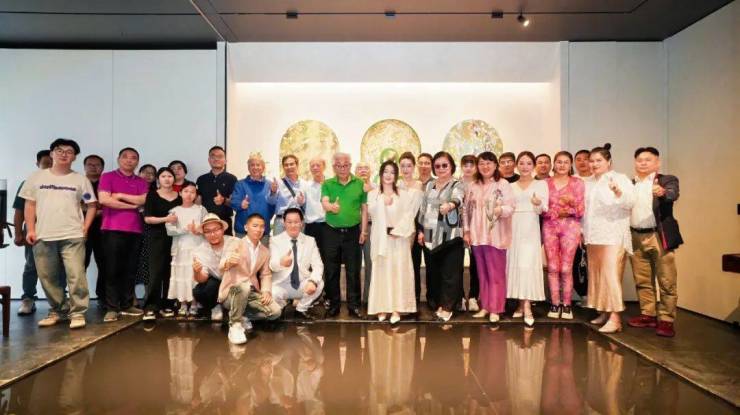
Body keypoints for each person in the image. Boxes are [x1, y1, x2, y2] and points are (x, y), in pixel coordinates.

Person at [20, 138, 97, 329]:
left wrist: (85, 227)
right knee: (48, 277)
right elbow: (29, 205)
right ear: (52, 153)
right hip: (43, 235)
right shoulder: (36, 177)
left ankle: (78, 312)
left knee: (76, 274)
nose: (64, 154)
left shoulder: (80, 180)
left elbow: (91, 205)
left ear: (74, 157)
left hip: (73, 235)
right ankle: (59, 310)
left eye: (69, 151)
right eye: (59, 150)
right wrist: (31, 229)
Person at [628, 147, 683, 337]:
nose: (643, 163)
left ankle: (667, 319)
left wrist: (662, 192)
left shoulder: (667, 180)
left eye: (648, 159)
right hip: (635, 236)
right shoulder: (630, 184)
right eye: (639, 160)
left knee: (667, 280)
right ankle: (648, 314)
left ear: (657, 162)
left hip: (658, 235)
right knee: (642, 279)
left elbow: (672, 194)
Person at [583, 143, 635, 333]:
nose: (594, 164)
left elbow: (631, 202)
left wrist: (618, 192)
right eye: (591, 161)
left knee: (611, 276)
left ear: (609, 162)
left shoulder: (619, 178)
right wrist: (582, 230)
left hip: (613, 235)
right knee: (598, 276)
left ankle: (615, 318)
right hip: (593, 235)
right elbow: (586, 211)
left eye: (599, 160)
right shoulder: (588, 182)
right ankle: (604, 312)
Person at [98, 147, 150, 322]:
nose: (129, 160)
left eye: (133, 158)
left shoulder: (141, 181)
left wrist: (119, 196)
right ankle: (112, 307)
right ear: (119, 159)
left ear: (137, 162)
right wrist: (132, 206)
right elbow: (104, 200)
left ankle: (127, 304)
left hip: (135, 230)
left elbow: (143, 200)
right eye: (125, 157)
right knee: (111, 269)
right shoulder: (107, 177)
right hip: (112, 229)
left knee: (130, 269)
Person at [463, 151, 515, 323]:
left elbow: (511, 207)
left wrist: (500, 210)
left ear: (495, 165)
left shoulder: (503, 184)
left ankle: (496, 308)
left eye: (489, 163)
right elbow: (466, 210)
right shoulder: (473, 185)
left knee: (496, 274)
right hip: (477, 236)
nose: (485, 166)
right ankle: (485, 306)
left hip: (496, 236)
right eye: (482, 163)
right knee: (482, 273)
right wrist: (466, 231)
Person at [366, 161, 419, 324]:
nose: (388, 175)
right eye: (386, 172)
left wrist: (398, 231)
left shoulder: (403, 194)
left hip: (399, 238)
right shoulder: (373, 194)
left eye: (392, 172)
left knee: (398, 273)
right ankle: (382, 307)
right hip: (381, 239)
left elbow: (409, 215)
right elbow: (371, 212)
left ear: (396, 176)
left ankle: (397, 308)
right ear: (381, 174)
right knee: (382, 273)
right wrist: (382, 201)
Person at [218, 213, 281, 344]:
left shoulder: (264, 251)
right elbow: (222, 264)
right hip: (232, 292)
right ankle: (235, 325)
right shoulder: (235, 243)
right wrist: (228, 262)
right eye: (255, 226)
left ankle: (241, 315)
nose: (259, 229)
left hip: (251, 293)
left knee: (275, 312)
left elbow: (265, 274)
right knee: (244, 286)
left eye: (262, 226)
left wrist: (266, 291)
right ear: (246, 227)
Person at [418, 151, 466, 322]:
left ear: (451, 166)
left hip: (450, 236)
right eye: (437, 166)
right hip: (430, 236)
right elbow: (423, 209)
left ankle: (447, 308)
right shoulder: (430, 185)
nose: (441, 168)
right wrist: (421, 231)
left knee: (450, 274)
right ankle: (439, 304)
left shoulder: (457, 184)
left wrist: (450, 205)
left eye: (444, 165)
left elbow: (458, 199)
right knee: (435, 273)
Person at [321, 152, 368, 319]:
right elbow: (324, 201)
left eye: (345, 165)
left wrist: (364, 231)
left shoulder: (360, 183)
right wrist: (330, 207)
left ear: (350, 165)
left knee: (353, 270)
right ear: (334, 167)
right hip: (331, 232)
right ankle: (333, 306)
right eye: (339, 166)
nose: (342, 168)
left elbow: (364, 209)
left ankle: (354, 306)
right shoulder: (327, 183)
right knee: (331, 270)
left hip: (353, 232)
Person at [507, 152, 548, 327]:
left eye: (529, 163)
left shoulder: (541, 184)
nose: (525, 167)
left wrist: (538, 203)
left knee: (528, 265)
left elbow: (543, 208)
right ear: (517, 165)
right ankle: (519, 303)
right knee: (516, 263)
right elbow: (507, 208)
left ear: (533, 166)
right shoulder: (510, 186)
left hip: (531, 226)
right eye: (522, 163)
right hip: (514, 226)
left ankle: (527, 306)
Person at [543, 151, 585, 320]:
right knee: (553, 267)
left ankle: (567, 304)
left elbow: (581, 209)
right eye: (559, 162)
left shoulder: (578, 183)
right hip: (549, 227)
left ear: (570, 165)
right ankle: (554, 303)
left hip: (571, 228)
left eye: (565, 162)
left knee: (566, 268)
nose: (562, 165)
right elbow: (541, 208)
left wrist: (566, 211)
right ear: (554, 164)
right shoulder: (545, 183)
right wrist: (555, 212)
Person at [13, 150, 53, 315]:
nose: (50, 166)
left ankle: (59, 302)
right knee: (32, 265)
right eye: (46, 163)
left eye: (52, 163)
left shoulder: (65, 183)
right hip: (33, 230)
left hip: (58, 230)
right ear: (38, 164)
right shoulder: (28, 183)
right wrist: (18, 233)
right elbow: (19, 211)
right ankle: (28, 298)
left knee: (60, 267)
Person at [269, 208, 324, 320]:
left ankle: (301, 309)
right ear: (284, 223)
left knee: (319, 284)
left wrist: (313, 281)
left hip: (302, 284)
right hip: (282, 284)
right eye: (289, 222)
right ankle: (281, 306)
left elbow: (318, 265)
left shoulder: (310, 241)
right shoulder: (275, 240)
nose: (293, 225)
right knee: (272, 292)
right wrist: (281, 263)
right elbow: (272, 265)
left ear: (302, 223)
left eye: (296, 222)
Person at [142, 167, 182, 320]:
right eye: (163, 176)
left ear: (174, 179)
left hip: (175, 239)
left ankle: (168, 304)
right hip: (156, 238)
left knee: (171, 273)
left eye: (170, 176)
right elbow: (147, 218)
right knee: (156, 272)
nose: (167, 179)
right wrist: (166, 219)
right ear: (158, 179)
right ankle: (151, 306)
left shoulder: (180, 196)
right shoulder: (152, 195)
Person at [166, 181, 208, 318]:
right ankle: (182, 303)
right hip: (181, 248)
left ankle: (194, 303)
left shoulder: (201, 209)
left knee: (194, 275)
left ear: (196, 195)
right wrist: (185, 229)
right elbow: (169, 230)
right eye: (186, 191)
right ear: (180, 193)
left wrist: (198, 230)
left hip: (197, 247)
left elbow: (208, 227)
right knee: (181, 275)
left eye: (192, 192)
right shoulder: (174, 210)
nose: (189, 194)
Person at [191, 213, 237, 321]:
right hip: (217, 281)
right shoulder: (199, 251)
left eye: (216, 229)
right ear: (203, 234)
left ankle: (235, 309)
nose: (212, 234)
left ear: (223, 230)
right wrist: (197, 272)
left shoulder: (235, 243)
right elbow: (203, 278)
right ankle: (215, 306)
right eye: (207, 231)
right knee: (198, 291)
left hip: (234, 280)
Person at [231, 153, 277, 240]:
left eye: (258, 165)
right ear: (248, 168)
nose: (255, 167)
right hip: (242, 233)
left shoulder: (270, 185)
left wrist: (273, 193)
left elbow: (273, 207)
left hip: (263, 233)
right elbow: (233, 203)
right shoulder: (240, 184)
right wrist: (241, 204)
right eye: (252, 165)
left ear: (263, 167)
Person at [196, 145, 237, 236]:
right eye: (213, 156)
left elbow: (234, 203)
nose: (216, 159)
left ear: (225, 160)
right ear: (209, 160)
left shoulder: (232, 179)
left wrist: (223, 200)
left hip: (224, 222)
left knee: (226, 245)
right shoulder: (201, 179)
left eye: (220, 156)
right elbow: (198, 202)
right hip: (205, 222)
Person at [83, 154, 105, 304]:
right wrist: (94, 209)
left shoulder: (106, 183)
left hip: (103, 229)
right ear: (84, 167)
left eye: (97, 165)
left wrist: (91, 209)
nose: (93, 167)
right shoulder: (79, 183)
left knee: (104, 264)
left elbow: (109, 204)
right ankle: (79, 298)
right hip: (81, 229)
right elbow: (75, 205)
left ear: (102, 168)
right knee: (80, 264)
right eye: (90, 164)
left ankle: (102, 296)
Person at [411, 152, 434, 304]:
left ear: (431, 165)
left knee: (431, 264)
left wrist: (424, 230)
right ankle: (415, 297)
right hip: (413, 229)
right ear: (417, 165)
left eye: (427, 163)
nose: (424, 166)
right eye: (421, 163)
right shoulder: (413, 184)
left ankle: (432, 298)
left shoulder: (436, 184)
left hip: (429, 229)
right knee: (413, 264)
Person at [459, 154, 480, 313]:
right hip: (457, 229)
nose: (468, 168)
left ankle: (473, 297)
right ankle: (459, 296)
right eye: (465, 165)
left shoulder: (480, 184)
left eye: (471, 165)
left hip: (477, 228)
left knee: (476, 265)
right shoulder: (456, 183)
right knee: (457, 265)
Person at [355, 162, 375, 305]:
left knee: (371, 264)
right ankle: (355, 301)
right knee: (354, 265)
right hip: (354, 228)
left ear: (371, 171)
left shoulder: (377, 188)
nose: (363, 170)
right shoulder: (351, 187)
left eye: (366, 167)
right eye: (359, 168)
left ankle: (369, 299)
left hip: (371, 227)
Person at [273, 154, 306, 235]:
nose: (289, 167)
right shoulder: (277, 183)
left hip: (299, 222)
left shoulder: (305, 184)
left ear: (297, 165)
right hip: (281, 222)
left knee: (299, 243)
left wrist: (302, 203)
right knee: (279, 243)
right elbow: (271, 202)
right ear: (283, 167)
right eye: (286, 165)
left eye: (291, 164)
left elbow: (308, 207)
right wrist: (272, 192)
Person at [303, 157, 327, 261]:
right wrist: (300, 201)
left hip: (327, 225)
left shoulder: (331, 184)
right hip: (311, 226)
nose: (315, 168)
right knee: (311, 257)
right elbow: (301, 203)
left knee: (327, 256)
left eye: (318, 165)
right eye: (312, 166)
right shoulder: (306, 186)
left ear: (324, 167)